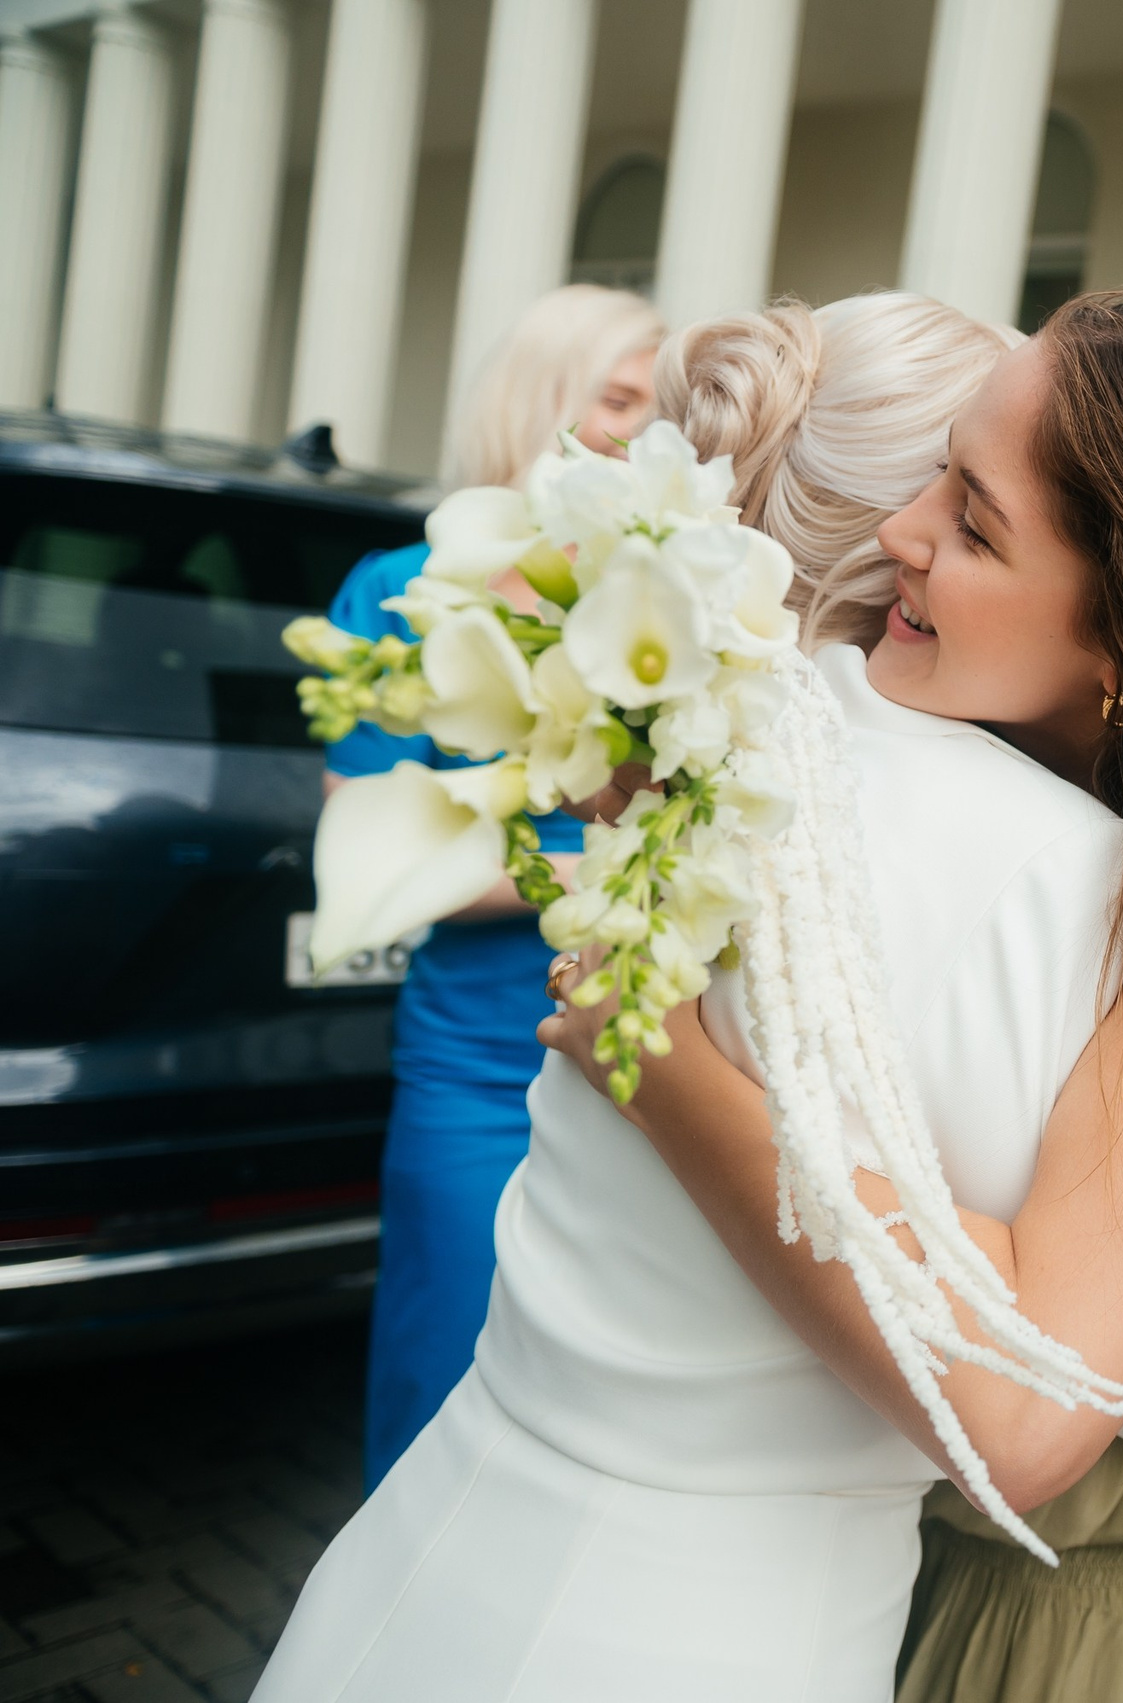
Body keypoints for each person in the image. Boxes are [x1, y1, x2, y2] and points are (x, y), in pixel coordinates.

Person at [250, 291, 1123, 1703]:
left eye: (974, 517)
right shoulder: (766, 752)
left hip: (1044, 1611)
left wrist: (659, 1066)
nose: (907, 524)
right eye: (936, 470)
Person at [326, 283, 661, 1489]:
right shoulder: (403, 588)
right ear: (541, 395)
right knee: (437, 1388)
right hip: (475, 1064)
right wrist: (597, 862)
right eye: (617, 395)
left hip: (646, 1059)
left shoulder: (652, 588)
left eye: (654, 403)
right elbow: (377, 844)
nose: (638, 427)